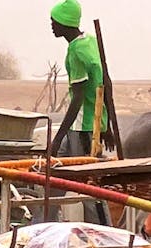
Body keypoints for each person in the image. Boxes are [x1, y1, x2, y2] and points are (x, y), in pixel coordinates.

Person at [47, 0, 112, 224]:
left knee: (88, 189)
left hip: (83, 129)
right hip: (85, 125)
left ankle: (104, 232)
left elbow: (78, 99)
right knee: (53, 179)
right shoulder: (90, 42)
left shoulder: (76, 52)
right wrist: (107, 124)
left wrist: (57, 139)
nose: (52, 26)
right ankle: (42, 227)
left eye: (54, 21)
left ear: (65, 22)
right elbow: (106, 83)